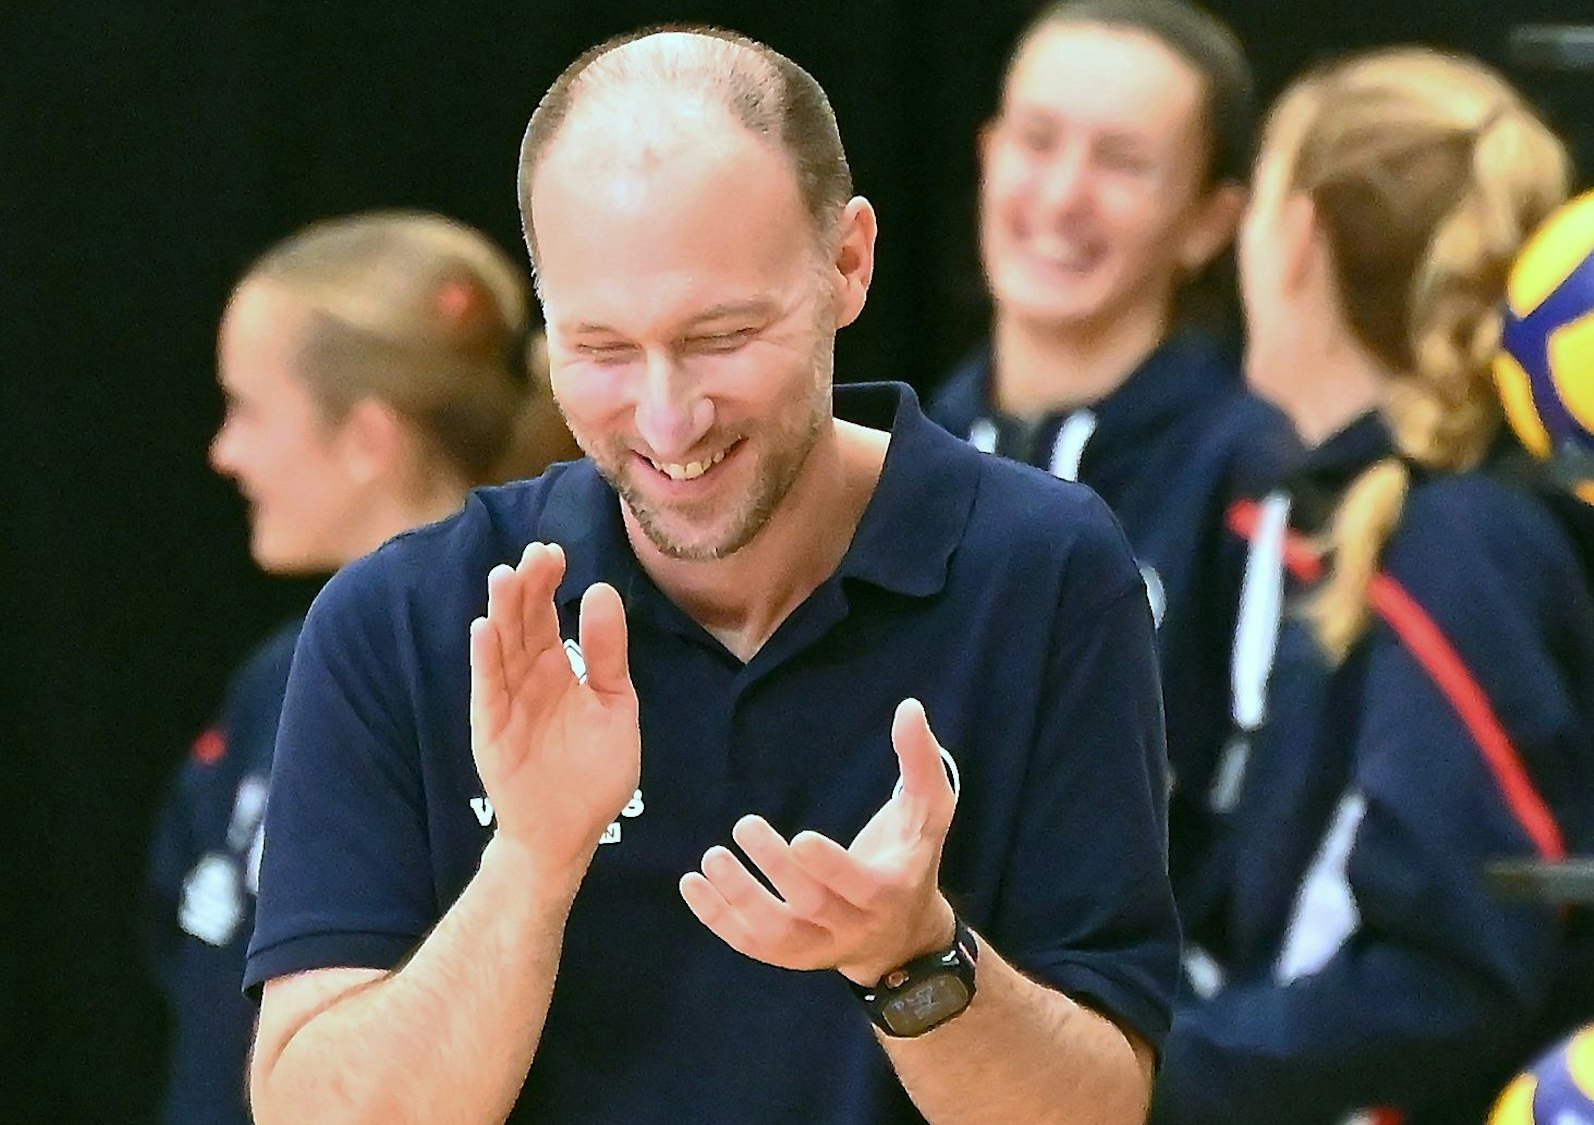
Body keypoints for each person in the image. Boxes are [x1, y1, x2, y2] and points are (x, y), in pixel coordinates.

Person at [242, 26, 1177, 1125]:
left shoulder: (1046, 571)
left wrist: (914, 958)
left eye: (722, 335)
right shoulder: (401, 618)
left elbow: (1099, 1108)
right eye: (597, 349)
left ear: (847, 264)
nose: (666, 417)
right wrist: (532, 865)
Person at [1151, 49, 1594, 1124]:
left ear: (1293, 238)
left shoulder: (1458, 544)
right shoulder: (1321, 498)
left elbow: (1450, 972)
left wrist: (1138, 1074)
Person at [144, 210, 580, 1124]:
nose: (224, 452)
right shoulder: (276, 677)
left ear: (367, 438)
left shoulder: (535, 684)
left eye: (249, 409)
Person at [927, 0, 1294, 915]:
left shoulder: (1257, 476)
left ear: (1212, 222)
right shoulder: (900, 455)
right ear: (986, 154)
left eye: (1123, 163)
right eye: (1036, 141)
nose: (1060, 197)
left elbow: (1263, 842)